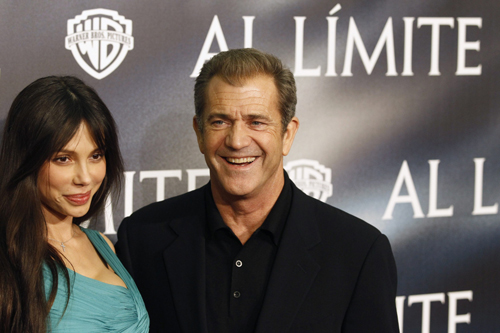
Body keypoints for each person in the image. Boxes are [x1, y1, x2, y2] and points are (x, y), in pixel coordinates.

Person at [117, 48, 399, 332]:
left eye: (257, 122)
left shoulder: (358, 253)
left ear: (287, 134)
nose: (237, 140)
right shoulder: (142, 239)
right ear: (199, 133)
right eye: (220, 122)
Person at [0, 76, 149, 332]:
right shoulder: (7, 257)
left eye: (96, 155)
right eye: (63, 159)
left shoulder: (103, 245)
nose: (85, 177)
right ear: (27, 159)